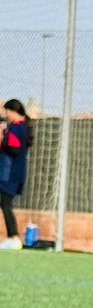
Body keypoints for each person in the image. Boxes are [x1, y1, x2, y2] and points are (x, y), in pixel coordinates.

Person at [0, 99, 33, 250]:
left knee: (6, 204)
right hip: (15, 172)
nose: (6, 115)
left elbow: (13, 149)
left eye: (7, 111)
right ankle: (13, 237)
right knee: (5, 203)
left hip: (8, 173)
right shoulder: (24, 127)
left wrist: (2, 140)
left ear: (13, 111)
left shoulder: (15, 128)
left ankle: (13, 237)